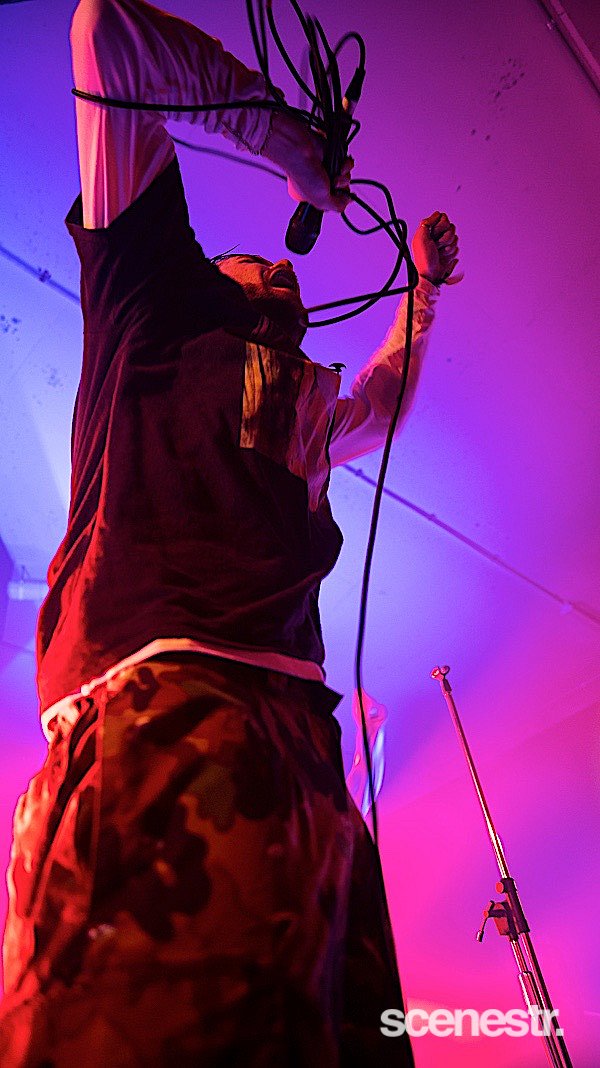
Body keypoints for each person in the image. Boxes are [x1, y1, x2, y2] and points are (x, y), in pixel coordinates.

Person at [0, 1, 459, 1065]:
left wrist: (424, 298)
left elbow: (383, 406)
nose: (285, 276)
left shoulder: (300, 399)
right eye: (262, 266)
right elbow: (106, 34)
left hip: (303, 754)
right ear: (221, 276)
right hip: (157, 708)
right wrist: (291, 148)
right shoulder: (151, 304)